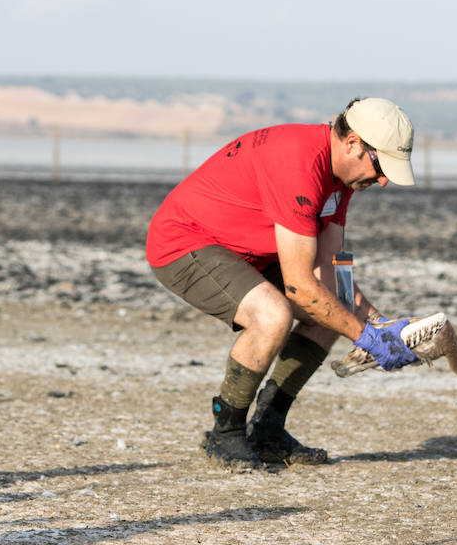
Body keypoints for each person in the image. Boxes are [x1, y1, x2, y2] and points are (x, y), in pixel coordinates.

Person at [146, 97, 419, 469]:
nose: (385, 181)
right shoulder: (300, 164)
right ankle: (225, 434)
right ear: (353, 142)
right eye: (382, 165)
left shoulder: (342, 179)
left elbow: (331, 269)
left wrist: (380, 323)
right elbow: (299, 287)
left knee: (331, 309)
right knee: (272, 315)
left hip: (249, 252)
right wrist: (364, 337)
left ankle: (269, 430)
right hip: (184, 243)